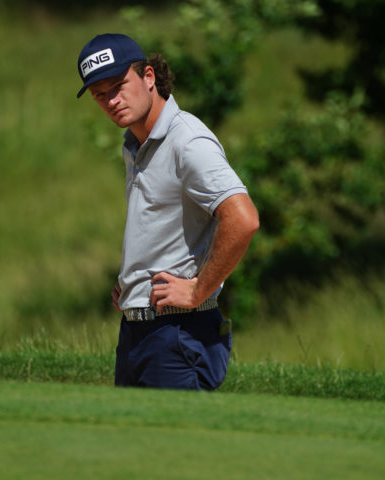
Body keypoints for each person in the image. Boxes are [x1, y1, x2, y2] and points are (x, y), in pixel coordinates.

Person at [76, 33, 259, 390]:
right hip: (138, 331)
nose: (112, 100)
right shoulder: (134, 143)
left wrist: (197, 291)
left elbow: (243, 218)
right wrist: (133, 282)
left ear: (148, 77)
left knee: (177, 445)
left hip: (179, 334)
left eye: (118, 85)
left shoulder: (187, 140)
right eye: (100, 94)